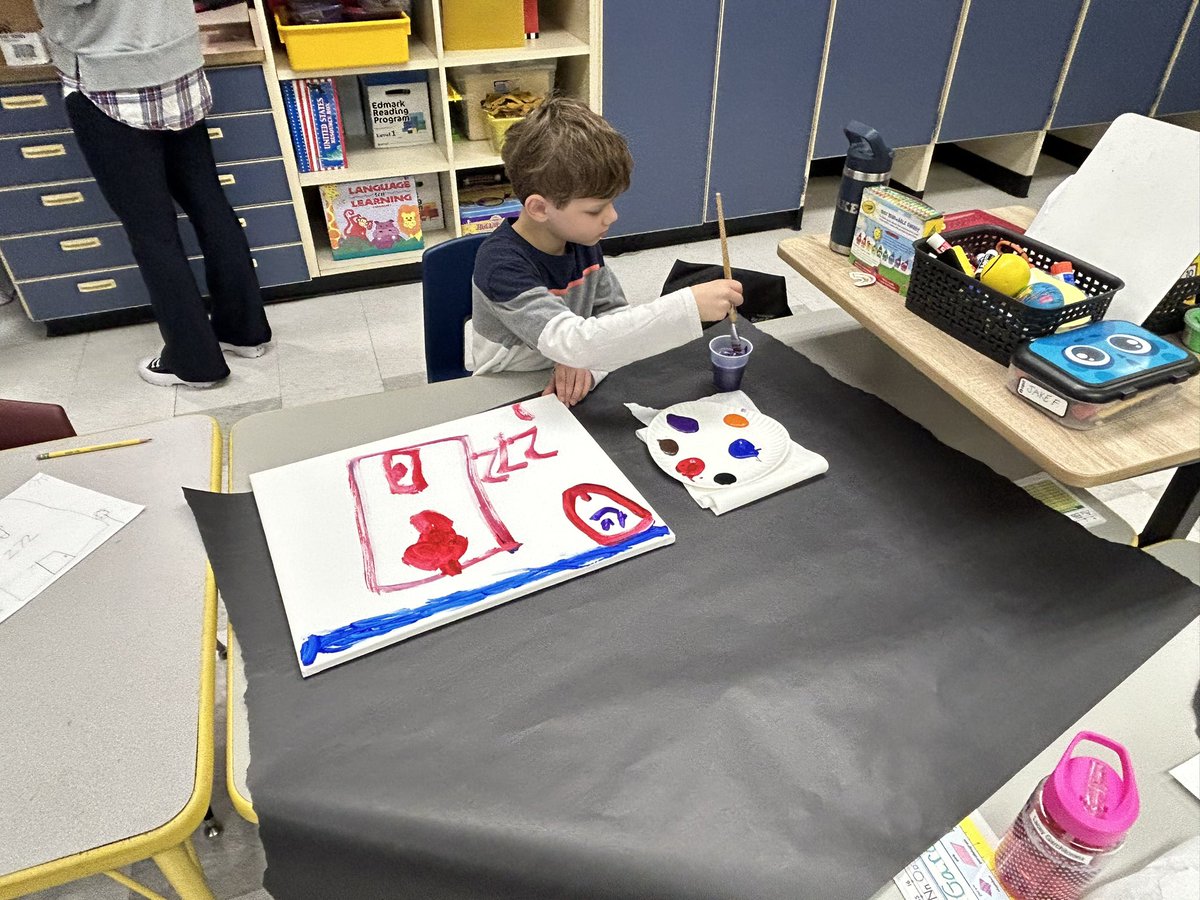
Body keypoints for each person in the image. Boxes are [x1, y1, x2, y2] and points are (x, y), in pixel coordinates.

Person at [34, 0, 272, 388]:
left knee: (152, 232)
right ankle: (244, 330)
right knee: (208, 203)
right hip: (178, 61)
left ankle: (194, 362)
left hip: (108, 76)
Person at [467, 97, 742, 405]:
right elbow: (568, 340)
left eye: (611, 203)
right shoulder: (500, 263)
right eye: (595, 209)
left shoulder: (580, 241)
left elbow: (613, 315)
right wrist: (687, 306)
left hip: (571, 379)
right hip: (506, 390)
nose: (612, 217)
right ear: (540, 208)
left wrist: (588, 364)